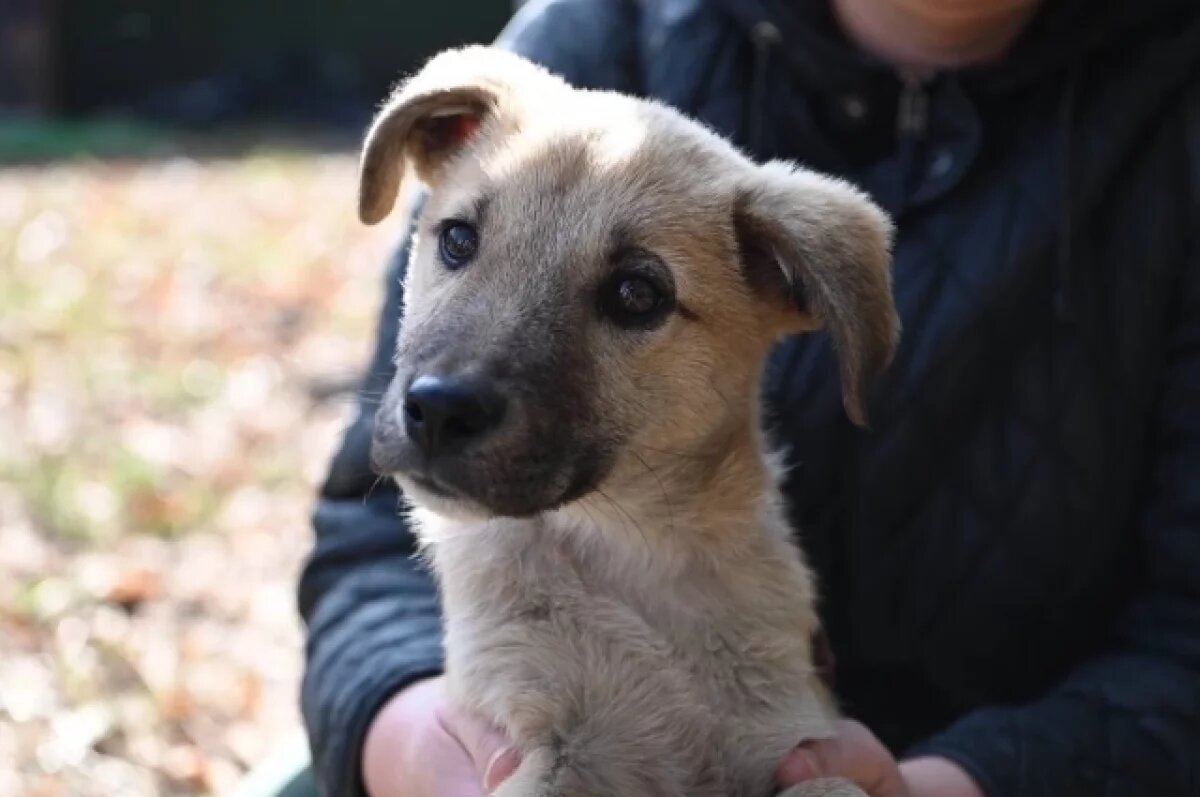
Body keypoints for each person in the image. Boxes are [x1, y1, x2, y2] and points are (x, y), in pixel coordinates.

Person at [297, 1, 1200, 795]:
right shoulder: (608, 33)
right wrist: (418, 746)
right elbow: (368, 549)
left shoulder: (1173, 113)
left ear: (799, 290)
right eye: (458, 240)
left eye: (632, 297)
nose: (456, 387)